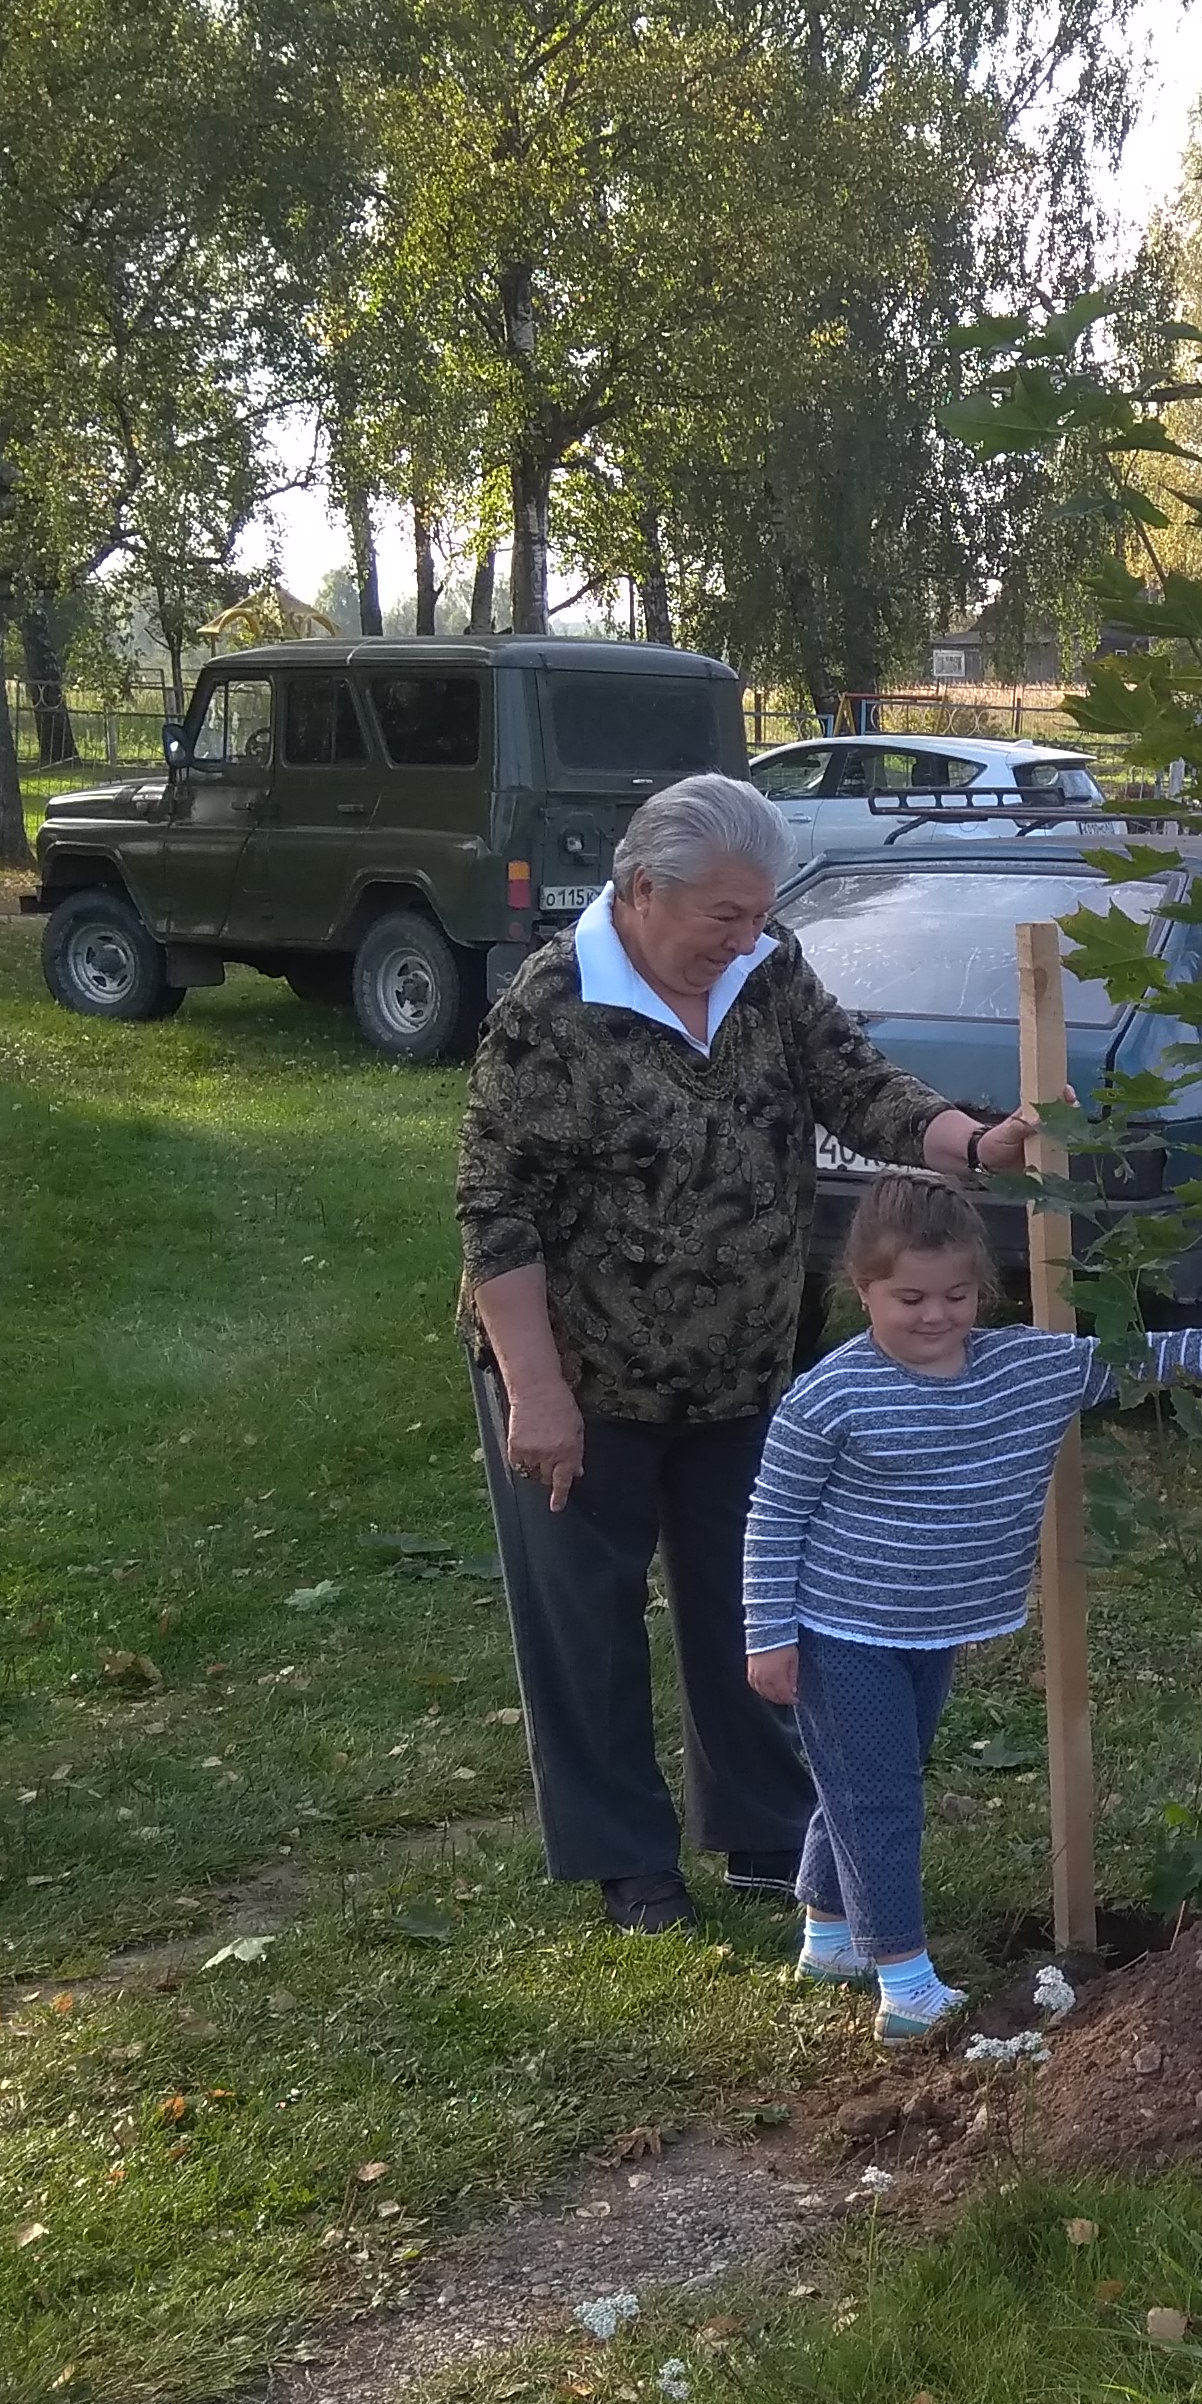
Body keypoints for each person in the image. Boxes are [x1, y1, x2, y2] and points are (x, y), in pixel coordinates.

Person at [458, 771, 1051, 1935]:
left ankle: (763, 1830)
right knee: (587, 1614)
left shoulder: (763, 968)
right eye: (720, 916)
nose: (744, 937)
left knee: (755, 1595)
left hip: (745, 1368)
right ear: (639, 891)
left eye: (757, 912)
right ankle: (627, 1858)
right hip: (585, 1376)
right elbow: (494, 1210)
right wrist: (536, 1392)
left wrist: (976, 1144)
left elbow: (858, 1085)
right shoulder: (553, 1007)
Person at [743, 1175, 1202, 2046]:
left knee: (863, 1778)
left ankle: (828, 1938)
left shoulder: (1022, 1370)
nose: (934, 1316)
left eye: (956, 1296)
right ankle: (905, 1983)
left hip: (934, 1626)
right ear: (864, 1292)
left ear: (981, 1288)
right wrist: (768, 1635)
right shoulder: (831, 1396)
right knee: (880, 1798)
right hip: (840, 1627)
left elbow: (1131, 1359)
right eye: (909, 1298)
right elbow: (774, 1518)